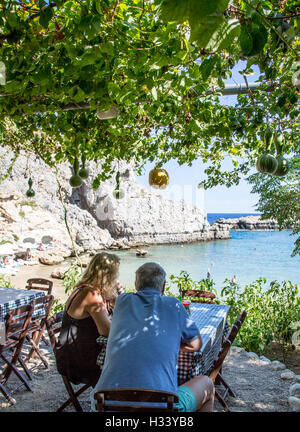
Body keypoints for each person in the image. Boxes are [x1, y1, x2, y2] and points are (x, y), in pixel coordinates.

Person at [91, 262, 215, 412]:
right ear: (163, 287)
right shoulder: (174, 305)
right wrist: (172, 344)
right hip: (162, 409)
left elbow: (112, 296)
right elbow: (196, 344)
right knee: (207, 384)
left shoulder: (121, 302)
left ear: (136, 284)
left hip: (108, 405)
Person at [55, 252, 120, 387]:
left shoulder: (84, 288)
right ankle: (108, 398)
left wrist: (117, 295)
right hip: (77, 360)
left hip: (70, 352)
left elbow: (114, 307)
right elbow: (107, 331)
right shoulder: (92, 294)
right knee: (123, 361)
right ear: (108, 275)